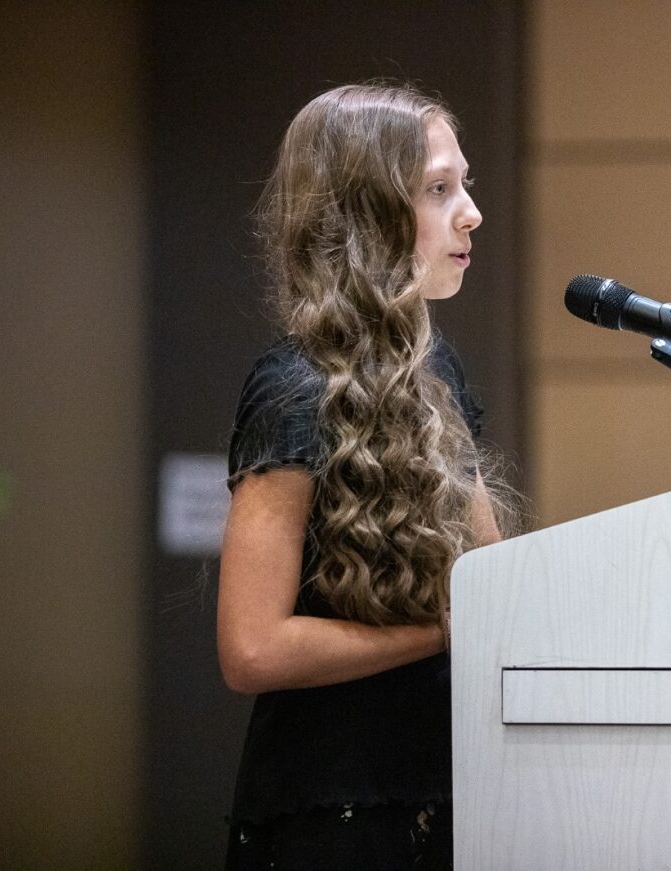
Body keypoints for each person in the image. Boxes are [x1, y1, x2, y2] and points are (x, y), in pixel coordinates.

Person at [218, 82, 506, 870]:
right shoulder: (293, 387)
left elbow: (488, 582)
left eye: (464, 185)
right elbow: (251, 647)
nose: (470, 212)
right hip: (332, 813)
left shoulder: (437, 370)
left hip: (452, 789)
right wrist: (436, 634)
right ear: (366, 215)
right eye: (440, 190)